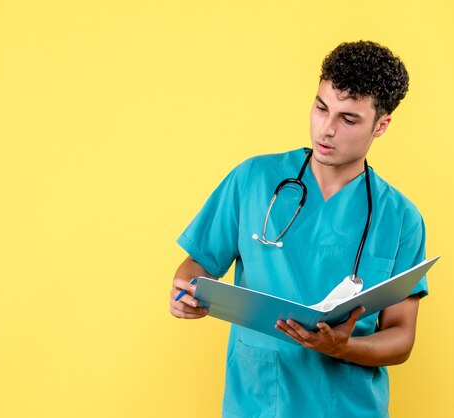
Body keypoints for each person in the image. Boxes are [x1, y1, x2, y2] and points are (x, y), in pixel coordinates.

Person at [169, 40, 428, 418]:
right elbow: (195, 268)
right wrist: (184, 294)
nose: (326, 128)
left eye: (349, 119)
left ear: (381, 125)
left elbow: (401, 337)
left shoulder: (401, 218)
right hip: (258, 402)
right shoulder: (253, 180)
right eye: (322, 107)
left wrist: (344, 348)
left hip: (348, 407)